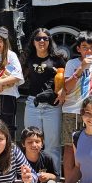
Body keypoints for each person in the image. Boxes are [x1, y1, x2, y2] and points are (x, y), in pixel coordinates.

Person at [59, 31, 92, 183]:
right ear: (78, 48)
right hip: (72, 110)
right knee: (70, 148)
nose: (88, 51)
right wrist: (81, 68)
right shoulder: (71, 64)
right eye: (85, 47)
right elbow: (67, 87)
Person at [21, 27, 66, 169]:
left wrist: (62, 90)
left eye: (45, 38)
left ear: (49, 41)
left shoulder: (58, 59)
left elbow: (67, 79)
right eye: (38, 38)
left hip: (52, 106)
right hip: (32, 104)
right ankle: (31, 176)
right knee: (31, 142)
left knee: (52, 145)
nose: (42, 41)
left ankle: (54, 177)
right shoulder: (28, 59)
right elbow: (19, 76)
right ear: (33, 42)